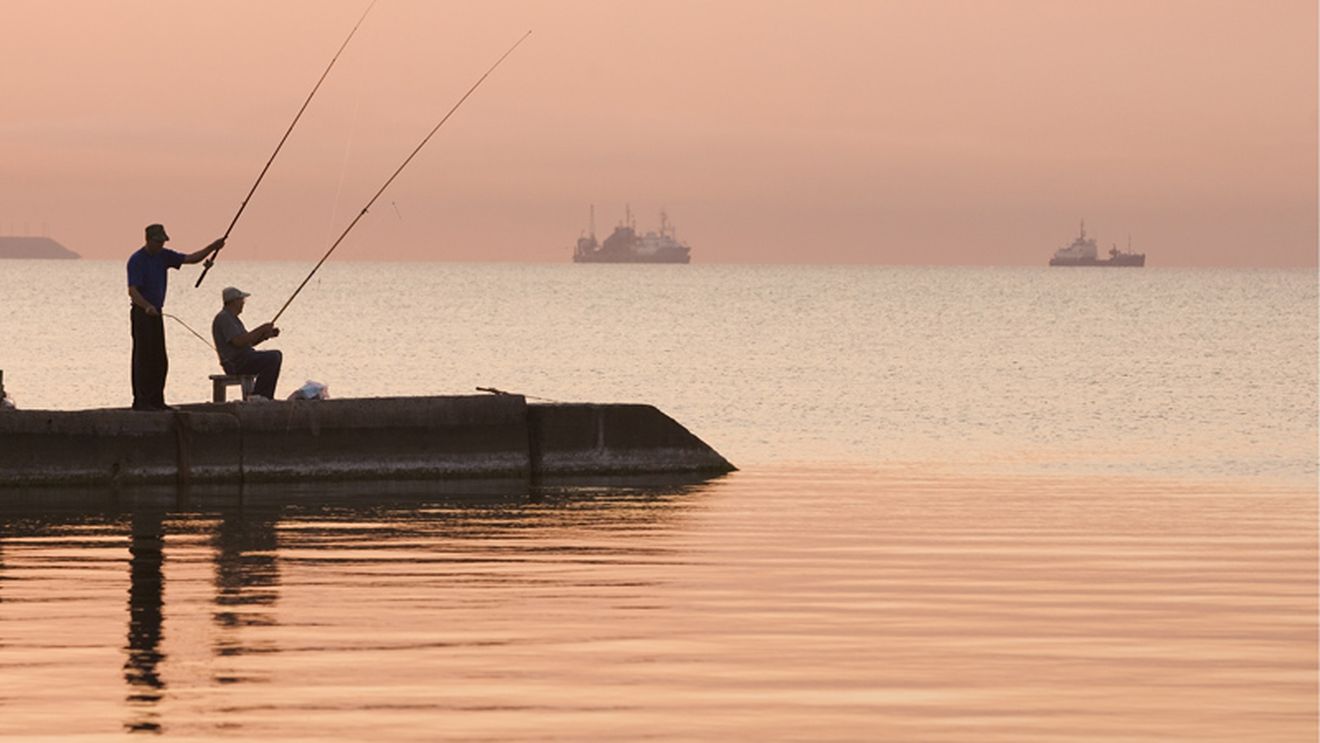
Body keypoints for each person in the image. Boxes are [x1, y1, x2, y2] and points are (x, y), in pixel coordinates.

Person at [127, 223, 225, 411]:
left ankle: (157, 400)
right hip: (142, 313)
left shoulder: (164, 256)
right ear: (148, 240)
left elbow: (192, 259)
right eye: (158, 241)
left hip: (157, 313)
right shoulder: (137, 260)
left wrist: (213, 247)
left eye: (163, 241)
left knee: (160, 359)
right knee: (143, 358)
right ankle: (141, 401)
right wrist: (147, 306)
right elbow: (132, 291)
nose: (161, 245)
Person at [211, 286, 282, 400]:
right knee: (274, 357)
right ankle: (259, 396)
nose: (243, 303)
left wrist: (264, 336)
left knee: (274, 356)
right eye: (241, 300)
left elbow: (248, 343)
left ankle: (263, 396)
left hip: (244, 358)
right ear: (234, 301)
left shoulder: (233, 318)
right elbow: (238, 341)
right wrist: (262, 328)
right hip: (236, 363)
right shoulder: (224, 318)